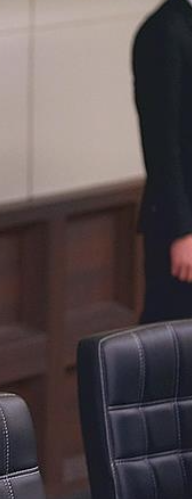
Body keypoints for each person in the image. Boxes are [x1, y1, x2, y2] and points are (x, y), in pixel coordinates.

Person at [133, 0, 192, 323]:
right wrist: (182, 231)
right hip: (180, 225)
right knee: (169, 332)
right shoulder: (163, 32)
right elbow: (161, 143)